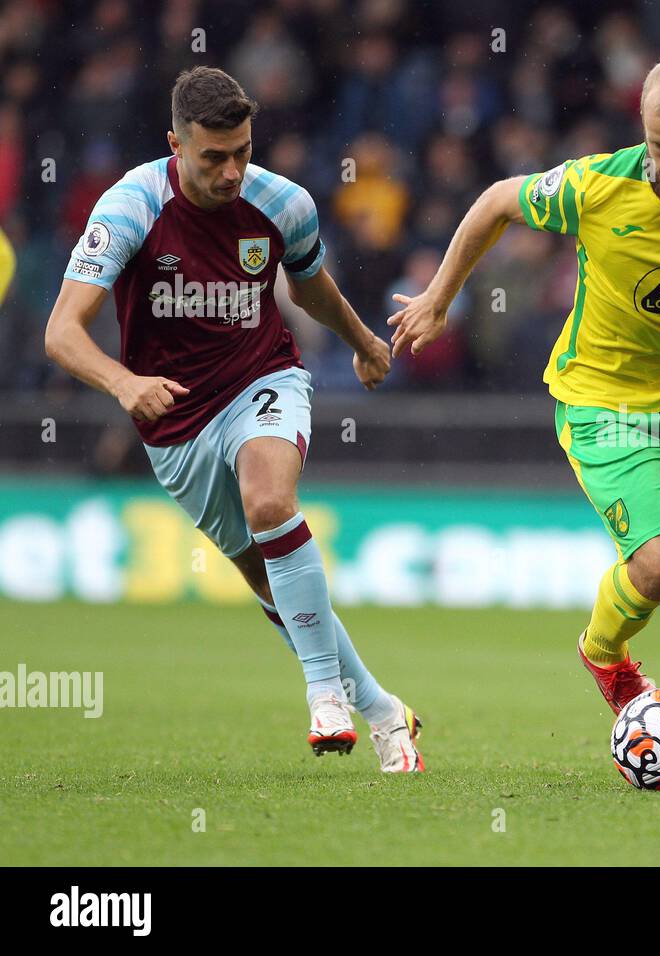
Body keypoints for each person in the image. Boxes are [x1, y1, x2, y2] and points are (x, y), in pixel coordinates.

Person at [388, 56, 660, 786]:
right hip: (607, 401)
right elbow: (494, 200)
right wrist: (438, 296)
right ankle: (603, 652)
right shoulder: (596, 184)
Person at [44, 67, 425, 770]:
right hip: (173, 419)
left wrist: (366, 343)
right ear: (175, 145)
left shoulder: (285, 204)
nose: (230, 172)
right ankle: (381, 708)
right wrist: (123, 383)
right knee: (265, 575)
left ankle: (323, 696)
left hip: (263, 379)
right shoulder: (129, 206)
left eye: (242, 153)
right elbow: (62, 332)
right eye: (212, 157)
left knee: (270, 499)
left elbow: (311, 291)